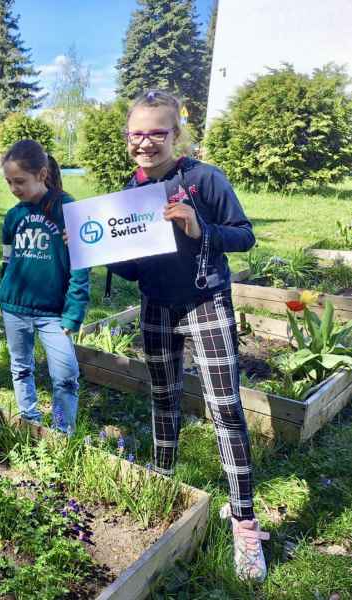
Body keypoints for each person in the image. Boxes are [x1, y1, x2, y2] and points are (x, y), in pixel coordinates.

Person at [107, 89, 268, 581]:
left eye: (158, 132)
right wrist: (100, 248)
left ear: (176, 134)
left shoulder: (204, 179)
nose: (146, 142)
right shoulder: (129, 190)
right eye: (138, 133)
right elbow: (133, 270)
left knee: (225, 407)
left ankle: (244, 520)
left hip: (206, 301)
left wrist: (202, 229)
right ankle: (164, 488)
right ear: (128, 138)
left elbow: (244, 233)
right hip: (156, 306)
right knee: (162, 397)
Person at [0, 139, 90, 435]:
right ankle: (29, 420)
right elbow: (6, 261)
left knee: (65, 374)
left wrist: (74, 311)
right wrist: (4, 293)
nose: (14, 189)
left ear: (41, 173)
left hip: (54, 312)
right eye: (9, 182)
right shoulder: (13, 216)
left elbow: (82, 263)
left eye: (20, 181)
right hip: (15, 307)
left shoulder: (67, 208)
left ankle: (63, 432)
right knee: (21, 367)